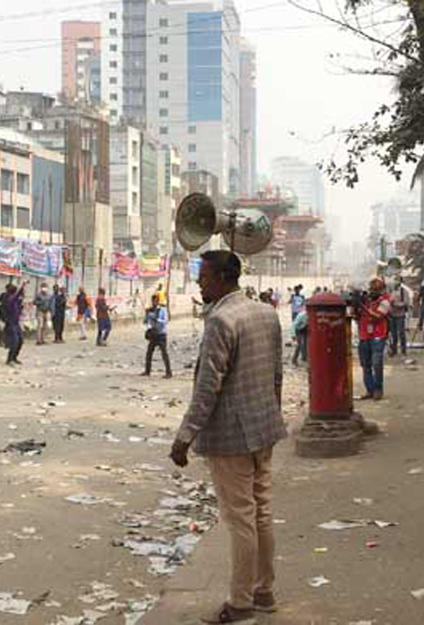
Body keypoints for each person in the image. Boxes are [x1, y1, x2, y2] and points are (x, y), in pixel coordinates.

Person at [169, 250, 285, 624]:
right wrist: (272, 415)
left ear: (222, 278)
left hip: (231, 437)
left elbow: (208, 387)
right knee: (261, 511)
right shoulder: (265, 313)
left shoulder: (220, 320)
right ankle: (264, 591)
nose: (199, 284)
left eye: (203, 277)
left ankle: (241, 603)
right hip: (263, 428)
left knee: (240, 519)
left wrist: (185, 437)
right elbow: (276, 373)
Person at [357, 278, 392, 401]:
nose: (372, 292)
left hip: (378, 336)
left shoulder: (385, 301)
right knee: (365, 365)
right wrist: (356, 306)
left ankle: (378, 390)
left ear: (381, 290)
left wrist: (363, 307)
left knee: (376, 364)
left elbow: (378, 316)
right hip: (364, 335)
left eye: (375, 289)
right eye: (371, 289)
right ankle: (369, 390)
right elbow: (356, 316)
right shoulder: (366, 300)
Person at [143, 294, 172, 378]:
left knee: (164, 354)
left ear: (158, 301)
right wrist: (147, 314)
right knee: (149, 353)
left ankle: (169, 372)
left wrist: (157, 319)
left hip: (161, 334)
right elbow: (145, 322)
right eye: (153, 301)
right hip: (154, 334)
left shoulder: (162, 310)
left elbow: (165, 321)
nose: (154, 303)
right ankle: (147, 371)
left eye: (156, 301)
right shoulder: (150, 310)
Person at [0, 282, 27, 365]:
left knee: (20, 341)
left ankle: (14, 357)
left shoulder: (16, 301)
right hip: (11, 323)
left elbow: (20, 299)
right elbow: (17, 295)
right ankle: (9, 359)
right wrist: (22, 286)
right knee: (15, 342)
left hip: (16, 323)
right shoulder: (10, 300)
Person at [387, 278, 413, 357]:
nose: (395, 282)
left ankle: (403, 350)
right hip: (392, 315)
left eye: (397, 280)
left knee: (401, 333)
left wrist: (396, 304)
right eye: (395, 280)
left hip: (400, 315)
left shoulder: (404, 291)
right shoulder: (390, 291)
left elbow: (406, 303)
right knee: (393, 334)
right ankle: (394, 350)